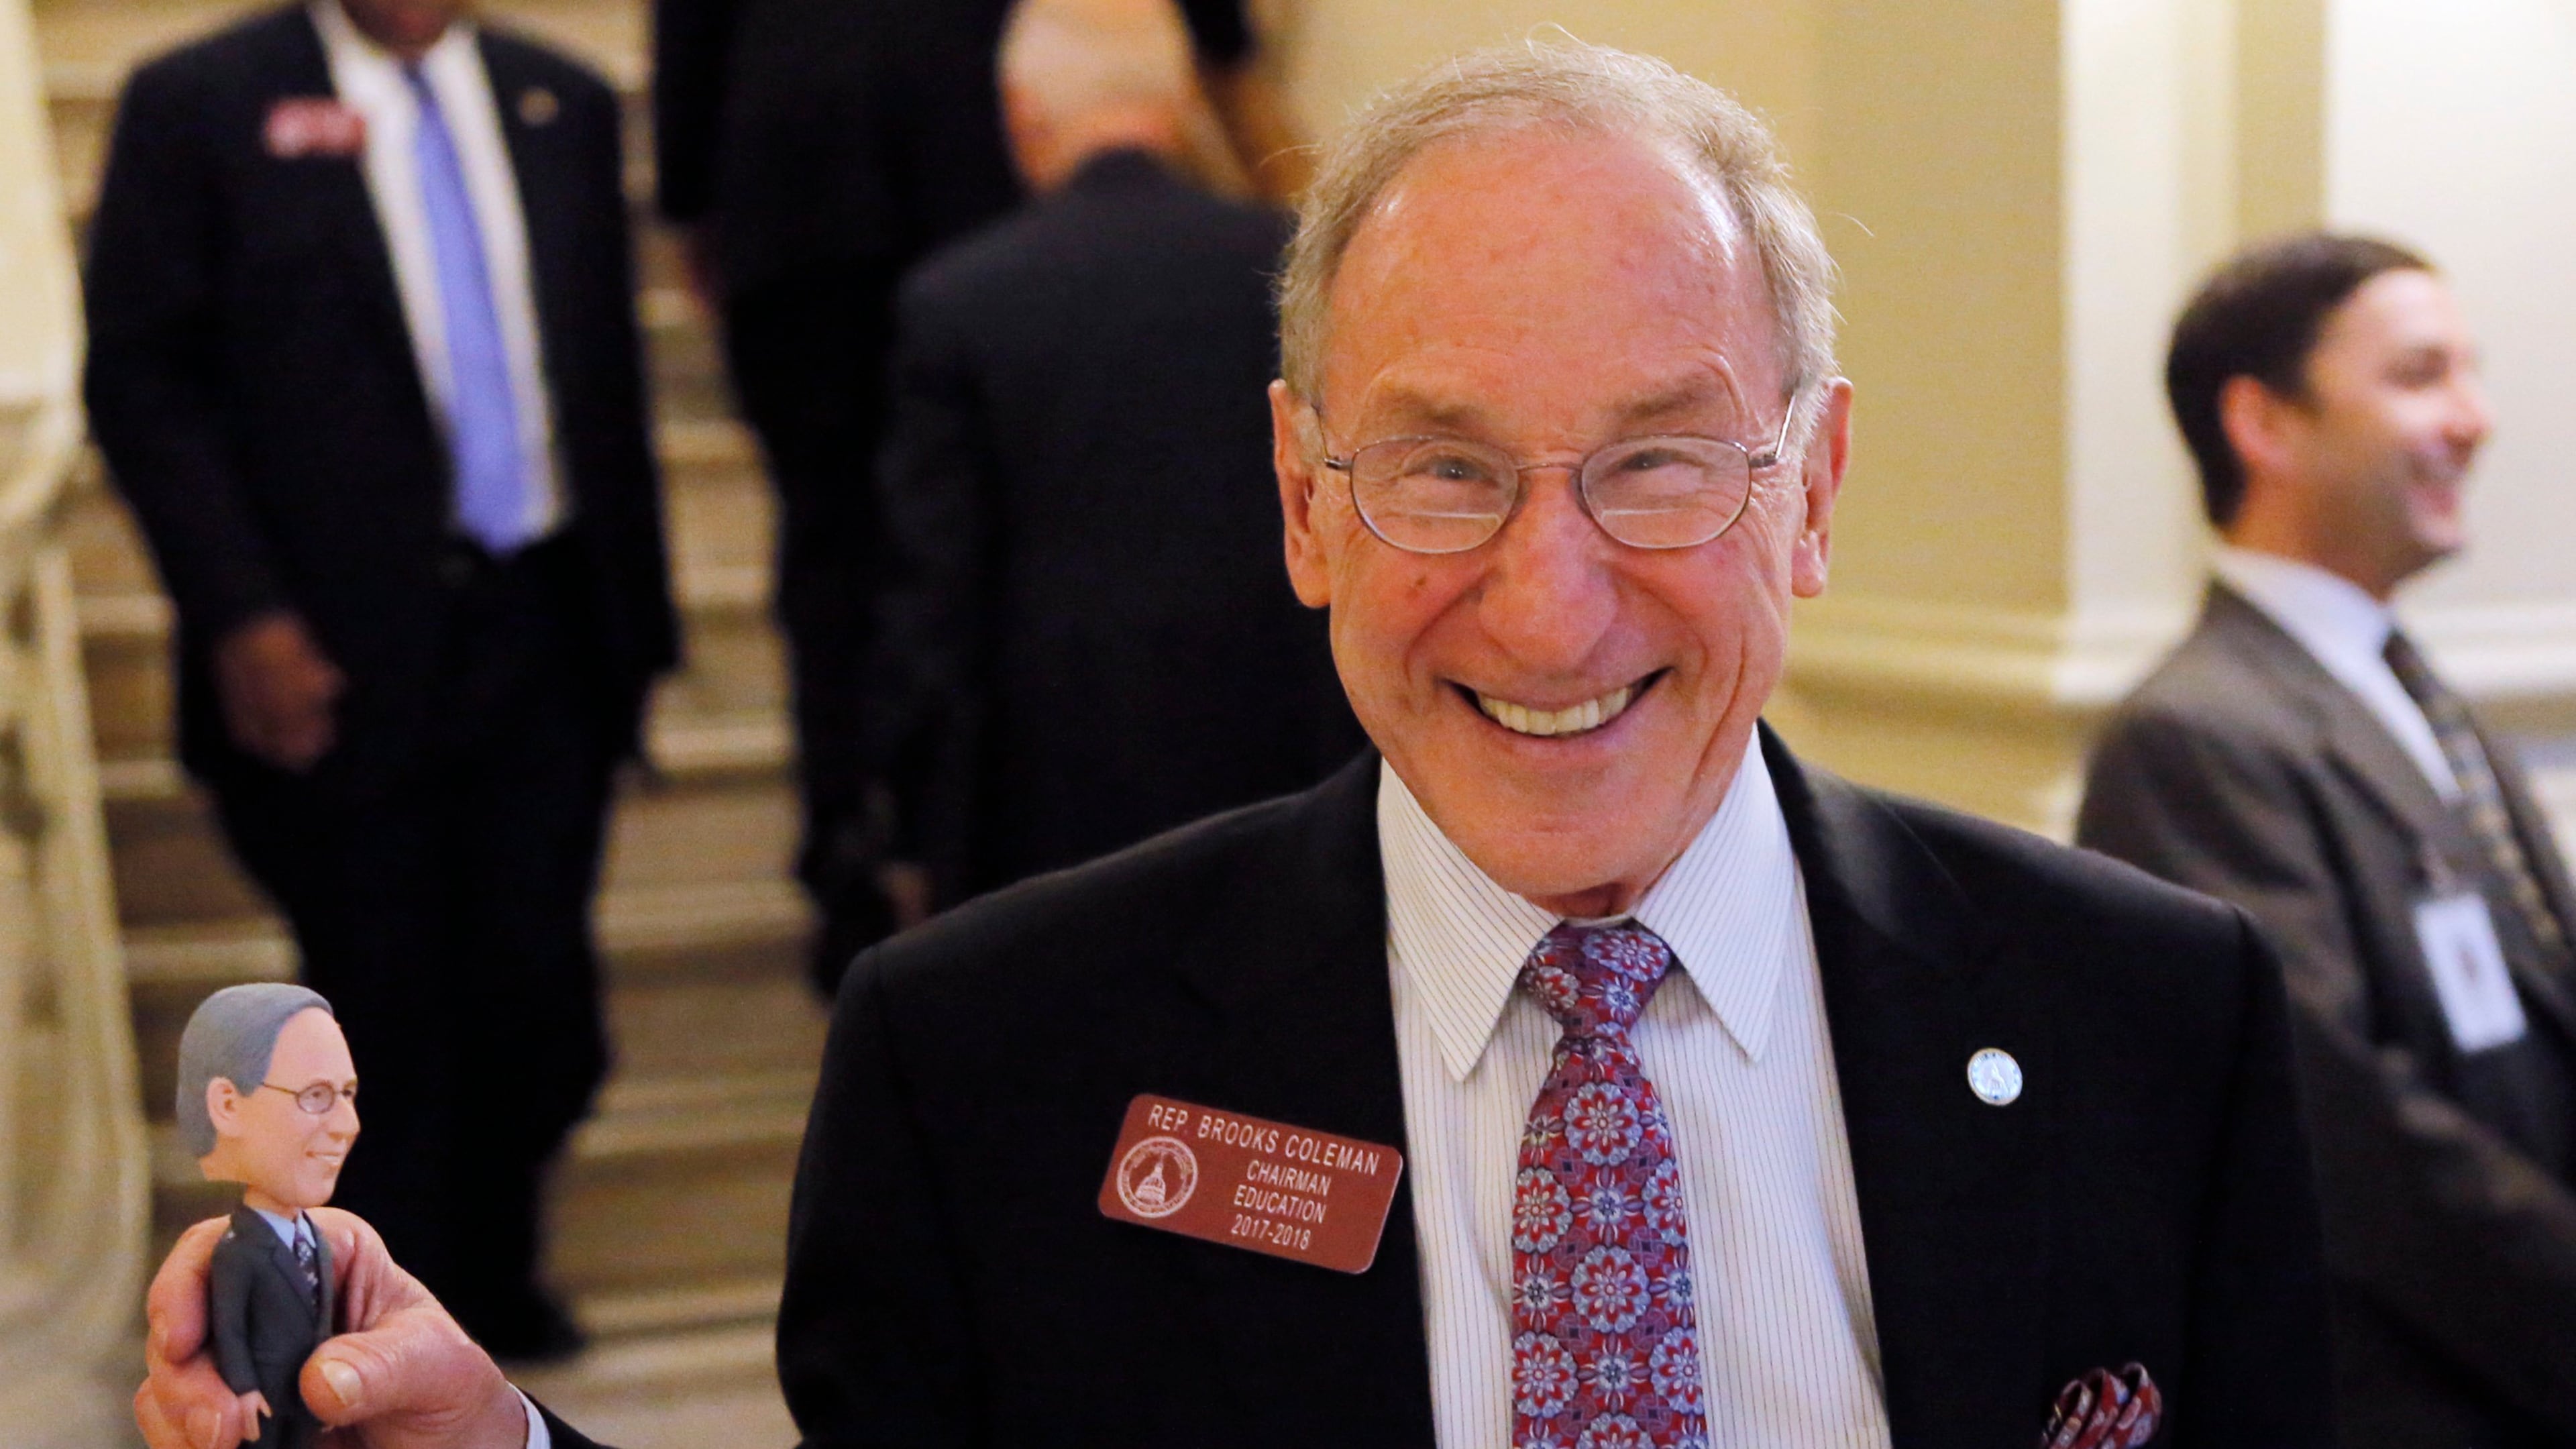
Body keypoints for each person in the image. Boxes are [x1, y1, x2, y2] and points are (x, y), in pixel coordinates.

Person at [138, 41, 2332, 1449]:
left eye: (1663, 467)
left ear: (1817, 487)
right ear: (1303, 499)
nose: (1550, 604)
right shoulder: (989, 1068)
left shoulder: (2151, 1019)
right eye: (1443, 471)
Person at [85, 0, 678, 1360]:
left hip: (544, 624)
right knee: (378, 996)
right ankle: (386, 1314)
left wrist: (631, 634)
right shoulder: (200, 101)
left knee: (538, 989)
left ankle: (495, 1260)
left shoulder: (561, 101)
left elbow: (599, 370)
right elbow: (144, 383)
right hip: (329, 648)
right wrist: (244, 618)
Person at [649, 0, 1304, 991]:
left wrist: (691, 183)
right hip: (959, 140)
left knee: (837, 557)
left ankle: (861, 869)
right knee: (1009, 530)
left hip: (792, 171)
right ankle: (1005, 858)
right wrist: (1219, 41)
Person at [2079, 233, 2576, 1446]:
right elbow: (2342, 1133)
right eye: (2421, 376)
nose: (2474, 418)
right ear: (2265, 424)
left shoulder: (2404, 681)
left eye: (2471, 372)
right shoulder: (2196, 737)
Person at [869, 0, 1356, 910]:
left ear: (1018, 109)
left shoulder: (959, 300)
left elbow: (935, 601)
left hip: (1051, 800)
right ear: (1179, 101)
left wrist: (917, 814)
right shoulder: (1288, 270)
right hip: (1287, 770)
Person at [180, 985, 359, 1449]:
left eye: (349, 1094)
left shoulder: (319, 1242)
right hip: (262, 1405)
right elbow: (231, 1331)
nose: (349, 1124)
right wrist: (242, 1390)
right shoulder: (239, 1251)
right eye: (316, 1095)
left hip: (310, 1403)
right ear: (227, 1106)